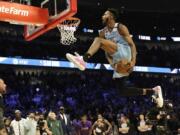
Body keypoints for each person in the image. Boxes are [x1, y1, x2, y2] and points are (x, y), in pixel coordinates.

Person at [66, 8, 163, 108]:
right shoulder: (103, 32)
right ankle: (153, 91)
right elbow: (106, 52)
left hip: (125, 52)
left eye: (105, 14)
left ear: (111, 16)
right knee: (123, 90)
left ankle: (83, 60)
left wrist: (133, 61)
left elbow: (132, 45)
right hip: (116, 57)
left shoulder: (120, 27)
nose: (102, 16)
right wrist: (111, 63)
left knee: (98, 40)